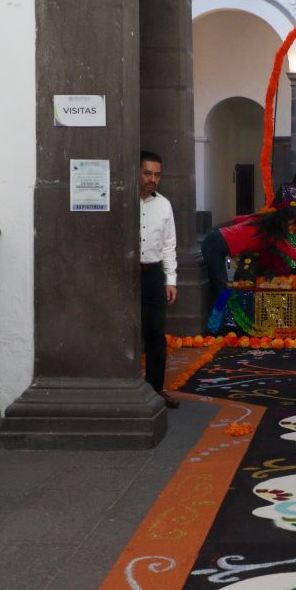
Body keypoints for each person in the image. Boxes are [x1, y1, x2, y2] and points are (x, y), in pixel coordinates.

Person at [139, 150, 179, 408]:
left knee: (155, 333)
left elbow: (168, 245)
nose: (152, 179)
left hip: (154, 275)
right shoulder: (123, 201)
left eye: (157, 175)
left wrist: (170, 280)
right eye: (147, 173)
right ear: (137, 172)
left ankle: (156, 389)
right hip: (126, 276)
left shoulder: (164, 205)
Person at [200, 204, 296, 287]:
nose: (290, 228)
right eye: (289, 225)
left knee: (219, 284)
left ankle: (218, 313)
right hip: (215, 245)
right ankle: (219, 315)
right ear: (282, 223)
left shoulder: (260, 220)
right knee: (222, 286)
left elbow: (237, 219)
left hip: (215, 238)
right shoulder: (271, 234)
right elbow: (294, 254)